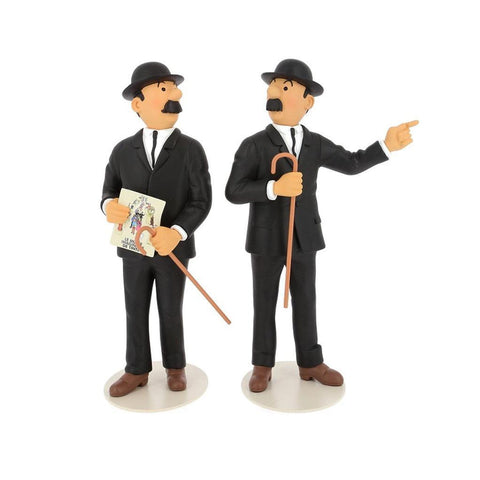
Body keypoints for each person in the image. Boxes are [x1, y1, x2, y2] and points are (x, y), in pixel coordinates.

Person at [225, 59, 418, 392]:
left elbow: (352, 163)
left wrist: (386, 145)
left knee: (306, 300)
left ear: (307, 101)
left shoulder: (314, 144)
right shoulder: (253, 145)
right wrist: (273, 188)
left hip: (304, 238)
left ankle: (310, 362)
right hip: (267, 240)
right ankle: (262, 364)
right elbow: (234, 190)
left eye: (285, 87)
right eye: (273, 86)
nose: (274, 93)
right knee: (264, 303)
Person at [102, 62, 212, 396]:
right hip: (133, 248)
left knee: (170, 309)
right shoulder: (122, 150)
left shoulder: (191, 149)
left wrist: (176, 232)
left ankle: (175, 366)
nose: (175, 95)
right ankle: (136, 369)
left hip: (171, 249)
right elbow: (108, 191)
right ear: (138, 104)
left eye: (173, 88)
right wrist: (109, 207)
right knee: (134, 308)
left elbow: (201, 200)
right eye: (164, 89)